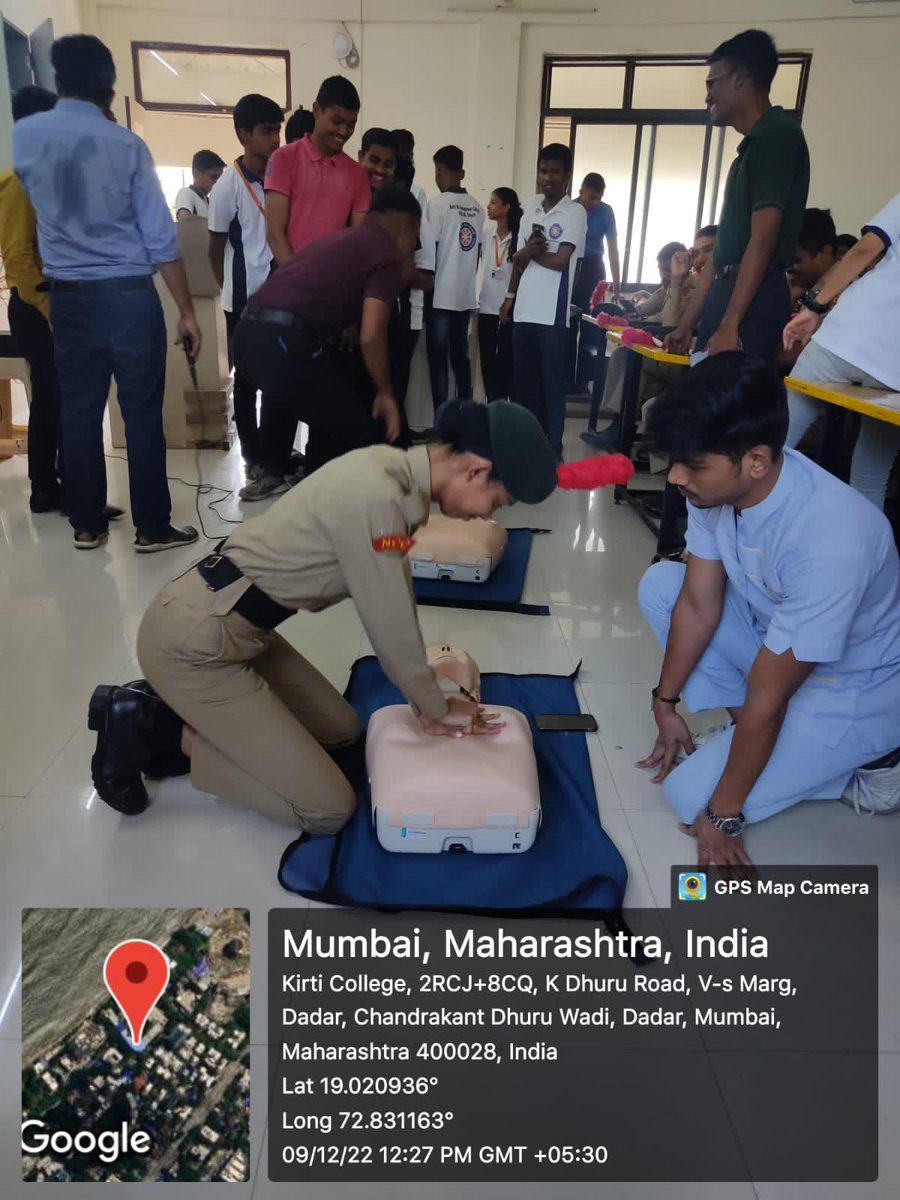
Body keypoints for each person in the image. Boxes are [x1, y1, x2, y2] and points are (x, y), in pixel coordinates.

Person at [86, 399, 560, 827]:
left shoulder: (395, 473)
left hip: (239, 627)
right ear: (476, 471)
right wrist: (435, 708)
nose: (487, 516)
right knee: (328, 808)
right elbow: (389, 623)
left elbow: (390, 582)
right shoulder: (382, 498)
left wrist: (426, 695)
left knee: (341, 731)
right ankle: (151, 725)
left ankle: (183, 712)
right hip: (195, 643)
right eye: (498, 502)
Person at [637, 353, 900, 867]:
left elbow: (772, 692)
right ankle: (756, 741)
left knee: (693, 798)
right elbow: (696, 603)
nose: (676, 479)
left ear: (755, 460)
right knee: (662, 585)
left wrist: (725, 814)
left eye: (693, 465)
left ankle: (875, 763)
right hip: (778, 647)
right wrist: (663, 702)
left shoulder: (831, 538)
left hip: (850, 691)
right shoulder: (719, 489)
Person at [13, 34, 200, 552]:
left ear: (58, 80)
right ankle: (152, 528)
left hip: (69, 296)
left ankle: (87, 523)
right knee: (141, 414)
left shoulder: (27, 136)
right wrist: (186, 311)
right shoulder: (126, 145)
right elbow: (161, 238)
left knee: (79, 408)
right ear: (110, 87)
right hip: (127, 296)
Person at [232, 186, 421, 476]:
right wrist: (385, 392)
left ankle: (313, 496)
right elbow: (372, 336)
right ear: (406, 229)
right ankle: (358, 512)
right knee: (362, 436)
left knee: (331, 425)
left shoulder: (343, 239)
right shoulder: (386, 255)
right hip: (283, 341)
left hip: (247, 337)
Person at [664, 30, 809, 362]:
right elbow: (722, 254)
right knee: (706, 401)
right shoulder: (746, 153)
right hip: (728, 293)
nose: (707, 97)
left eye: (712, 83)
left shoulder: (777, 136)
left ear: (741, 79)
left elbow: (763, 239)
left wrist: (731, 324)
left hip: (752, 298)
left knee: (729, 406)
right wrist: (688, 325)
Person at [783, 192, 900, 511]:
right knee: (872, 476)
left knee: (774, 447)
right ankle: (862, 559)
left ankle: (727, 547)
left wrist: (815, 306)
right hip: (895, 369)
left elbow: (866, 248)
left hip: (848, 336)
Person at [206, 93, 283, 486]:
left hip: (278, 302)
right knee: (247, 384)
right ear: (243, 135)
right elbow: (214, 250)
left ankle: (274, 454)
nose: (275, 140)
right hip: (242, 306)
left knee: (276, 381)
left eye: (278, 131)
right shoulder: (227, 188)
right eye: (268, 132)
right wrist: (231, 296)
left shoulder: (279, 178)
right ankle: (253, 458)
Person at [0, 87, 70, 514]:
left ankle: (67, 481)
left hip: (54, 304)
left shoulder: (47, 177)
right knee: (50, 393)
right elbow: (19, 259)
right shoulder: (16, 181)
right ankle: (44, 487)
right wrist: (51, 312)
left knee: (64, 395)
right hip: (33, 306)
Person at [501, 142, 587, 460]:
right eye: (542, 171)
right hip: (523, 309)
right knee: (524, 386)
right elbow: (518, 260)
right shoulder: (531, 206)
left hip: (552, 314)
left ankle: (553, 450)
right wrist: (510, 296)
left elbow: (561, 260)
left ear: (566, 176)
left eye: (554, 172)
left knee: (552, 386)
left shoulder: (575, 212)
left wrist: (530, 253)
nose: (547, 178)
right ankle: (527, 445)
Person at [264, 75, 370, 264]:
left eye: (351, 125)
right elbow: (275, 234)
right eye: (336, 121)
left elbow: (357, 241)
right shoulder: (284, 159)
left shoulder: (357, 174)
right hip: (290, 279)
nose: (343, 132)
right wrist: (299, 281)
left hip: (334, 283)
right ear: (317, 110)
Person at [425, 146, 484, 415]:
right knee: (461, 358)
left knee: (438, 361)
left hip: (440, 296)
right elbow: (478, 252)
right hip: (465, 295)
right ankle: (466, 413)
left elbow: (429, 253)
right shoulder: (478, 208)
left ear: (438, 171)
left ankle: (442, 419)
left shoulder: (436, 206)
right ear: (462, 172)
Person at [568, 172, 620, 389]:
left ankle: (582, 382)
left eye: (598, 198)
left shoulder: (606, 212)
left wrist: (617, 285)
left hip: (594, 268)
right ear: (581, 191)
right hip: (572, 266)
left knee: (590, 326)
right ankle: (566, 380)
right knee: (569, 325)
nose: (595, 202)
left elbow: (612, 248)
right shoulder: (569, 210)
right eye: (592, 197)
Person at [478, 188, 521, 402]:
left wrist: (510, 299)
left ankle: (507, 405)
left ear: (506, 207)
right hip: (486, 305)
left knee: (506, 359)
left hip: (508, 308)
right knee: (487, 360)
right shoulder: (486, 235)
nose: (489, 206)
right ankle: (492, 403)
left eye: (494, 202)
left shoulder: (518, 237)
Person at [174, 150, 226, 220]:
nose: (217, 182)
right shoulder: (186, 192)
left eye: (220, 178)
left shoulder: (209, 202)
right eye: (214, 177)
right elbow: (184, 216)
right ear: (196, 173)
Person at [358, 127, 397, 192]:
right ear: (361, 157)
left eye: (388, 165)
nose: (380, 170)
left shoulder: (399, 200)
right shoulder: (341, 192)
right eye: (374, 161)